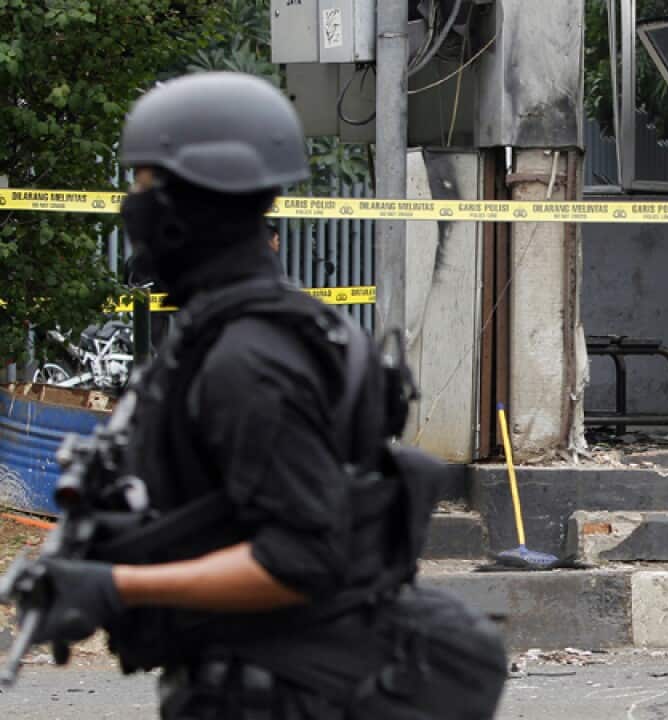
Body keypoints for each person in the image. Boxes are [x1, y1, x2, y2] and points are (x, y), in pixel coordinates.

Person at [24, 73, 504, 719]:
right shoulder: (248, 329)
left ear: (191, 203)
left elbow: (300, 557)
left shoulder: (249, 360)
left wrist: (117, 586)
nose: (132, 208)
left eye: (143, 187)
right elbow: (222, 507)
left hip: (287, 694)